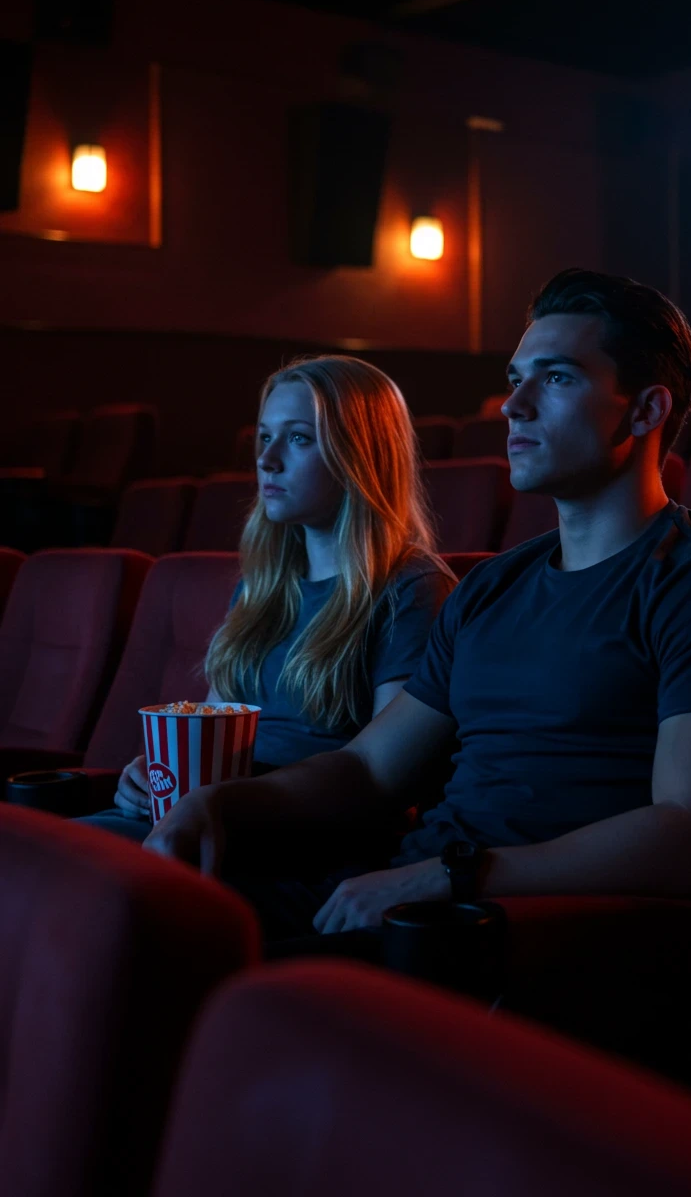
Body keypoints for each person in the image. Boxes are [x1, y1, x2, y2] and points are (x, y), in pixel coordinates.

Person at [145, 269, 691, 957]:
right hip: (418, 895)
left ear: (644, 411)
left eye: (555, 379)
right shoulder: (492, 587)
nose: (512, 405)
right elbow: (370, 771)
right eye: (516, 378)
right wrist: (216, 805)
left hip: (527, 932)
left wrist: (450, 878)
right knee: (135, 911)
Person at [81, 354, 457, 847]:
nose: (267, 458)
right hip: (206, 817)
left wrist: (222, 804)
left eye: (298, 438)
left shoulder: (412, 588)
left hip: (293, 837)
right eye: (264, 436)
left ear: (359, 455)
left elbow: (390, 782)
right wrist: (153, 775)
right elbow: (211, 733)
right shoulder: (264, 587)